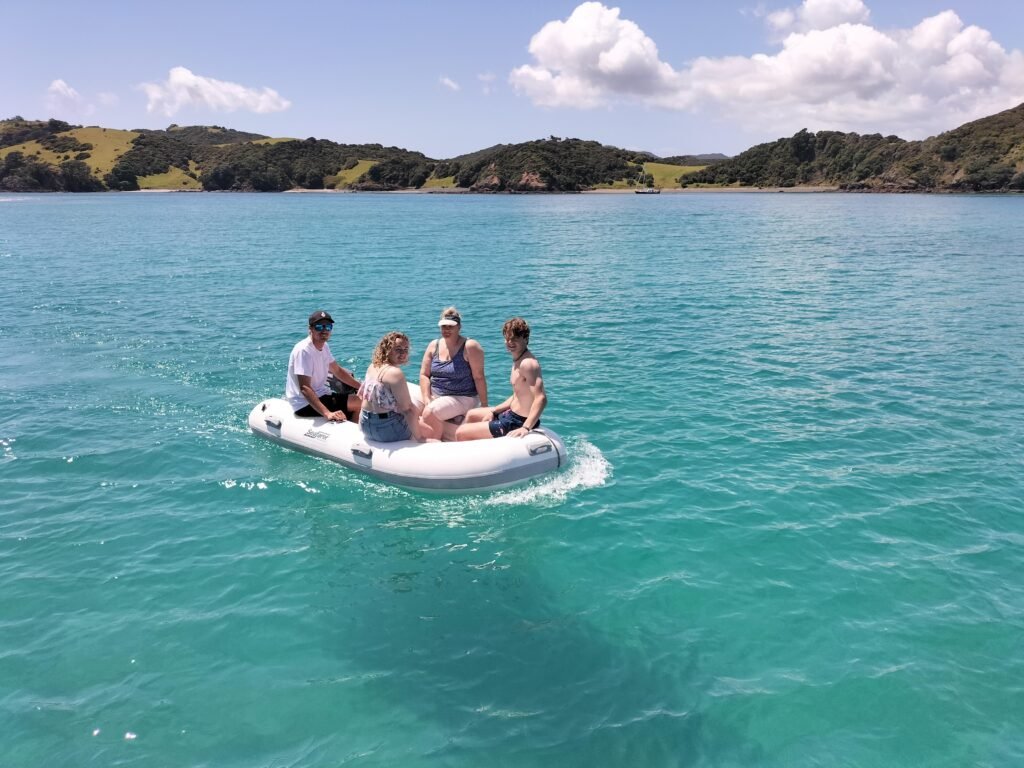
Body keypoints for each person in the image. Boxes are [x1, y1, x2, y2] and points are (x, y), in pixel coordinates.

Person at [456, 317, 546, 440]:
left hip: (518, 422)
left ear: (525, 339)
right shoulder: (518, 360)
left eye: (515, 338)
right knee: (471, 414)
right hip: (510, 414)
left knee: (460, 432)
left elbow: (541, 398)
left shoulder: (528, 364)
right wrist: (495, 411)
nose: (510, 342)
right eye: (507, 338)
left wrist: (525, 427)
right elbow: (517, 395)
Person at [418, 306, 488, 440]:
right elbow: (424, 375)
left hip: (463, 397)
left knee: (429, 413)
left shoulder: (470, 346)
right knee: (409, 408)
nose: (446, 330)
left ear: (459, 327)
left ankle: (436, 442)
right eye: (443, 326)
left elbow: (479, 377)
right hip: (436, 394)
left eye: (450, 327)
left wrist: (484, 406)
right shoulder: (434, 345)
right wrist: (426, 397)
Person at [285, 310, 361, 422]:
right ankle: (356, 435)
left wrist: (361, 386)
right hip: (303, 404)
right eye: (319, 327)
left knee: (363, 398)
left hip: (322, 395)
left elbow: (337, 371)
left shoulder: (324, 346)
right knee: (361, 403)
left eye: (328, 327)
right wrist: (327, 413)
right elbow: (305, 388)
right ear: (310, 329)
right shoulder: (304, 350)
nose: (324, 331)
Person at [358, 331, 424, 442]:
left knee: (416, 414)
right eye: (398, 349)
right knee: (425, 427)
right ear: (387, 350)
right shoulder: (395, 373)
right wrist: (420, 438)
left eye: (405, 349)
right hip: (387, 430)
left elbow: (363, 396)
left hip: (365, 425)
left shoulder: (372, 366)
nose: (403, 353)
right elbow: (408, 410)